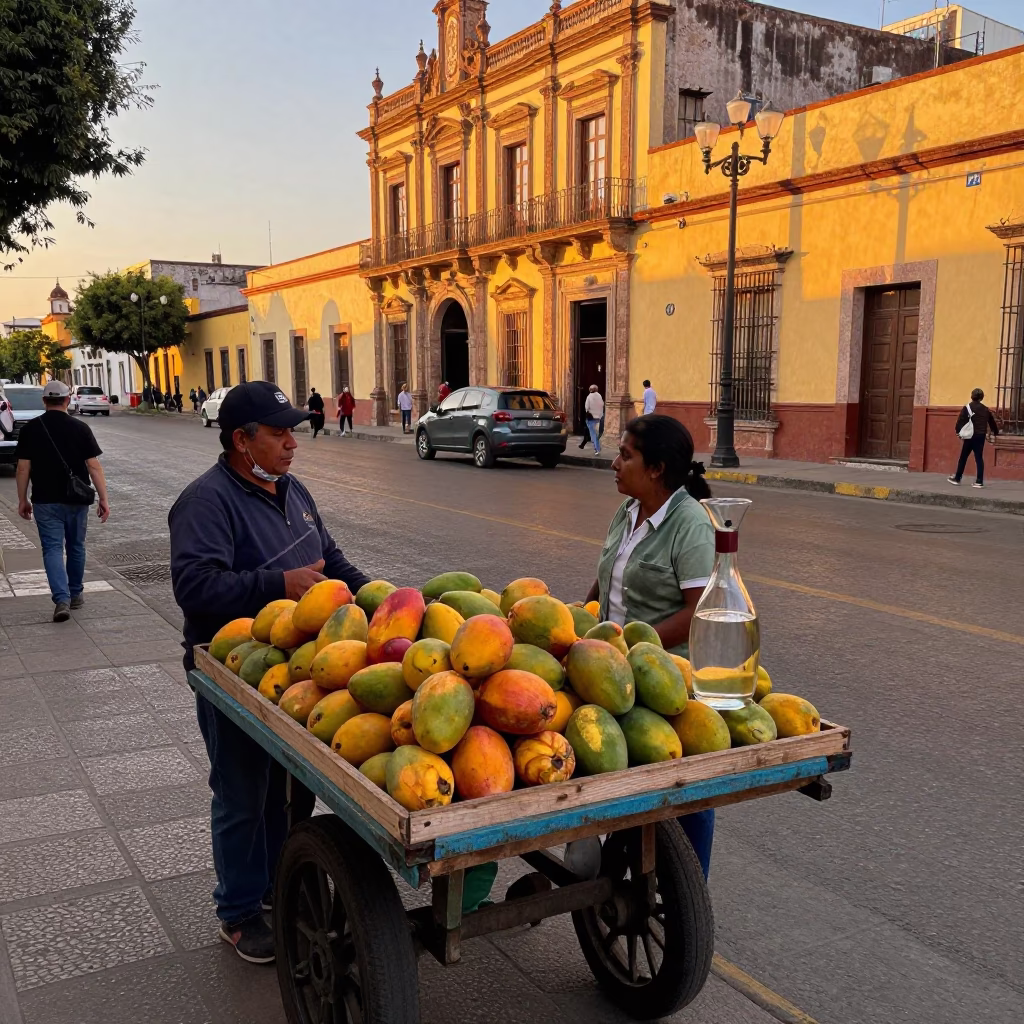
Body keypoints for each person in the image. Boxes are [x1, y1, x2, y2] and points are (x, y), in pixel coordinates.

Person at [169, 381, 372, 964]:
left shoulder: (292, 490)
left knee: (289, 792)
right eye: (279, 433)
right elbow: (195, 588)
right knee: (242, 791)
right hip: (233, 670)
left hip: (298, 671)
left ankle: (272, 887)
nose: (292, 443)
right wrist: (276, 585)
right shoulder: (205, 502)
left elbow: (329, 560)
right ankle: (237, 912)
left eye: (294, 431)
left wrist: (378, 598)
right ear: (241, 440)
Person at [583, 414, 716, 878]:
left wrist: (635, 650)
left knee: (686, 784)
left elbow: (700, 613)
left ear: (656, 468)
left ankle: (689, 885)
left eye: (625, 455)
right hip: (609, 668)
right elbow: (607, 578)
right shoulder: (628, 510)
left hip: (662, 676)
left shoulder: (691, 525)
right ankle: (607, 857)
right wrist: (580, 625)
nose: (615, 463)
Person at [14, 380, 111, 622]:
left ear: (44, 401)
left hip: (45, 501)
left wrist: (22, 499)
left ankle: (61, 599)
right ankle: (76, 594)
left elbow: (23, 469)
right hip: (77, 500)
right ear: (67, 400)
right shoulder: (80, 428)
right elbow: (93, 466)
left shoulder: (30, 430)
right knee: (76, 546)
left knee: (53, 549)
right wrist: (103, 499)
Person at [948, 388, 999, 488]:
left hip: (970, 436)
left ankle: (957, 478)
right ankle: (979, 481)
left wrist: (958, 432)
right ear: (982, 397)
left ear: (972, 396)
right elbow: (992, 422)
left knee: (963, 457)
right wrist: (995, 432)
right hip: (980, 436)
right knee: (979, 458)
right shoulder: (985, 409)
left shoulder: (967, 407)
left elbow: (960, 421)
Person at [579, 384, 604, 455]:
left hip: (591, 418)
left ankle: (597, 449)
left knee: (593, 434)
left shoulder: (589, 397)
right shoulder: (599, 396)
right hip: (598, 417)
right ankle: (597, 446)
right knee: (596, 433)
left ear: (590, 390)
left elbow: (586, 407)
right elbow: (602, 405)